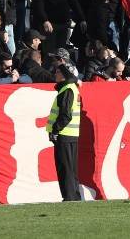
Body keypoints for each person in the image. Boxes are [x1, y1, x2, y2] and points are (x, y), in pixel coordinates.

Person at [47, 61, 82, 201]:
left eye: (58, 71)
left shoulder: (67, 89)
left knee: (65, 169)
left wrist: (55, 130)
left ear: (64, 74)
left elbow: (65, 115)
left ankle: (69, 197)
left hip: (64, 134)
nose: (55, 74)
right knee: (71, 169)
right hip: (70, 135)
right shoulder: (72, 87)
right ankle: (73, 197)